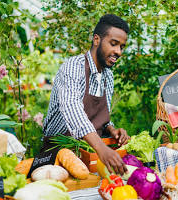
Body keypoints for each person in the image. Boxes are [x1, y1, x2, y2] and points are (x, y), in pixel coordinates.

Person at [42, 14, 130, 175]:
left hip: (89, 153)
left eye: (122, 47)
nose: (118, 52)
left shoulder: (108, 76)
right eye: (113, 44)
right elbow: (73, 109)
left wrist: (111, 129)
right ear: (96, 39)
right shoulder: (73, 67)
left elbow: (101, 117)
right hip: (57, 154)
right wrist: (101, 148)